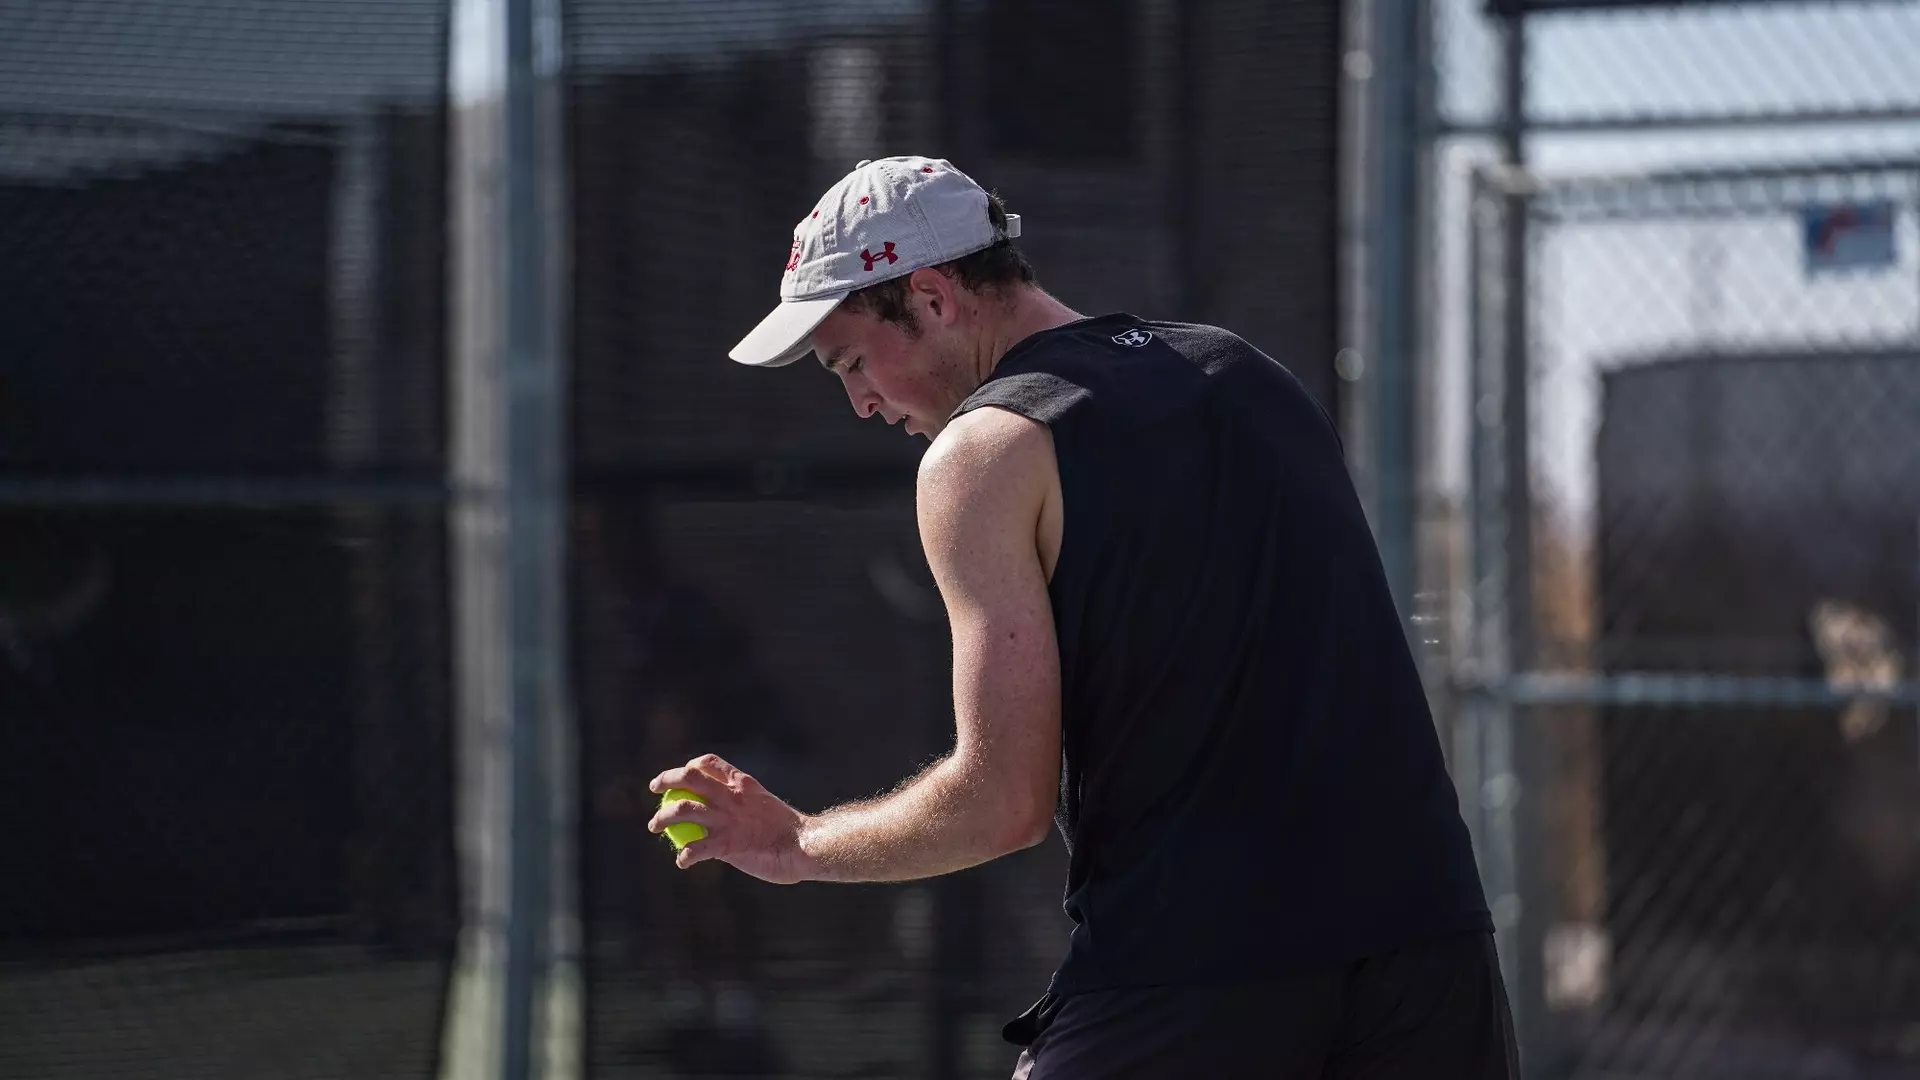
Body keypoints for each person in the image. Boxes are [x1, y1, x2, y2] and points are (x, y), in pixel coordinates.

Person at [649, 156, 1516, 1078]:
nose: (861, 400)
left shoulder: (985, 454)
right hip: (1432, 951)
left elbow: (1001, 803)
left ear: (935, 297)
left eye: (854, 360)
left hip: (1197, 971)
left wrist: (795, 845)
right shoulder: (1248, 376)